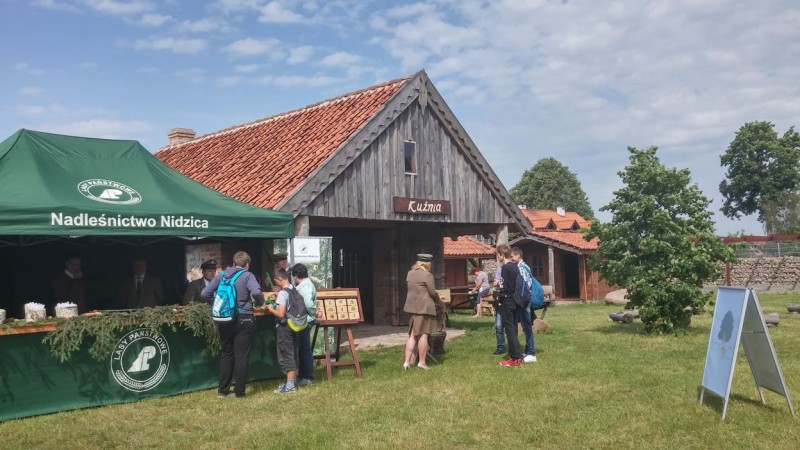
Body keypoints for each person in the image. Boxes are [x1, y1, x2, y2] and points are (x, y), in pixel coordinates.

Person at [202, 251, 265, 398]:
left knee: (227, 353)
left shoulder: (222, 275)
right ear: (247, 264)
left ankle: (222, 391)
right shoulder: (248, 276)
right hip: (244, 318)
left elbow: (205, 293)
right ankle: (240, 392)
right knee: (241, 356)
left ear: (233, 262)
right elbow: (256, 293)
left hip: (225, 318)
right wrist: (260, 303)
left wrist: (218, 304)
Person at [263, 268, 301, 394]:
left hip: (284, 327)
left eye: (276, 281)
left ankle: (290, 386)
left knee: (286, 355)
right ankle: (293, 382)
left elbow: (280, 314)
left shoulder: (283, 294)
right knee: (293, 353)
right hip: (294, 325)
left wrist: (270, 309)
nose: (275, 283)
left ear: (279, 279)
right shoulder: (292, 289)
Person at [402, 253, 441, 370]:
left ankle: (406, 362)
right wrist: (439, 300)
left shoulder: (410, 273)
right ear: (428, 264)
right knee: (423, 335)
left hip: (412, 308)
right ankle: (422, 362)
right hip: (424, 308)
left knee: (412, 335)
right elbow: (432, 292)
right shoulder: (427, 275)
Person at [496, 243, 524, 367]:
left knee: (509, 331)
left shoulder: (506, 268)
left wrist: (499, 298)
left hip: (507, 301)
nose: (498, 257)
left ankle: (514, 359)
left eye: (498, 254)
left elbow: (504, 287)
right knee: (513, 329)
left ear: (502, 254)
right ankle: (519, 356)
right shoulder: (515, 267)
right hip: (515, 301)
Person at [292, 263, 317, 386]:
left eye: (294, 276)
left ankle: (308, 376)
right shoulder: (305, 284)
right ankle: (303, 375)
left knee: (305, 348)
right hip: (303, 319)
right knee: (302, 348)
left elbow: (307, 303)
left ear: (296, 275)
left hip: (305, 320)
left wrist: (314, 312)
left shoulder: (305, 286)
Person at [511, 247, 537, 363]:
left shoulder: (521, 268)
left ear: (518, 255)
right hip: (525, 300)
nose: (511, 258)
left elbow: (524, 286)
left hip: (524, 300)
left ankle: (531, 353)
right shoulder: (525, 266)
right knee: (526, 326)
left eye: (512, 256)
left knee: (526, 326)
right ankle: (528, 351)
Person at [492, 258, 507, 356]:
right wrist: (498, 283)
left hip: (509, 301)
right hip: (500, 301)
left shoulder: (513, 268)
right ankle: (501, 348)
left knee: (511, 327)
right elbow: (495, 283)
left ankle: (514, 348)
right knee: (498, 326)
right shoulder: (500, 269)